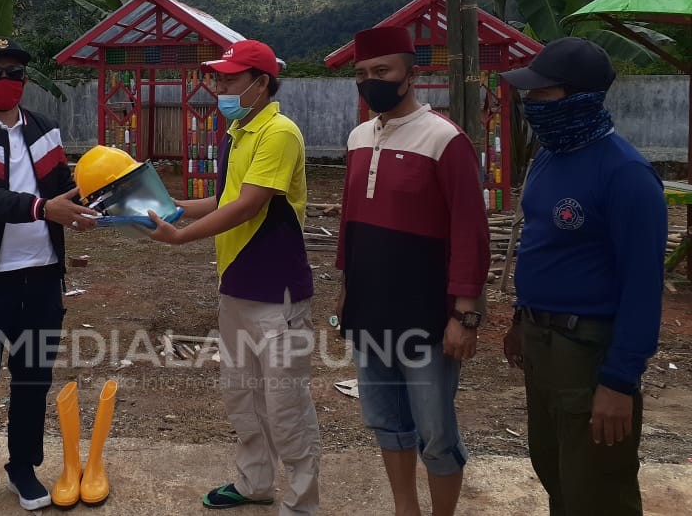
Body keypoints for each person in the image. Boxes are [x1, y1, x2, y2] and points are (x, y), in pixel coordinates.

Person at [148, 40, 321, 515]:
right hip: (237, 288)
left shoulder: (278, 133)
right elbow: (225, 199)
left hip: (277, 294)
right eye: (218, 78)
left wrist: (180, 237)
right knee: (243, 396)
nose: (219, 87)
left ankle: (302, 503)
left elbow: (250, 205)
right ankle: (254, 485)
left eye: (229, 79)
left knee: (286, 406)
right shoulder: (238, 133)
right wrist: (171, 207)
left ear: (261, 83)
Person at [500, 37, 667, 516]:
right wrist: (519, 319)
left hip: (589, 350)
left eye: (541, 93)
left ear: (580, 98)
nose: (529, 104)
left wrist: (618, 384)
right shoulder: (550, 157)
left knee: (597, 488)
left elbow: (642, 288)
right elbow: (541, 245)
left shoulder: (627, 175)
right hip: (541, 342)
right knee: (555, 469)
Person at [0, 37, 98, 516]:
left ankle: (24, 467)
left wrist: (100, 200)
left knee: (31, 384)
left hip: (41, 281)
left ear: (25, 80)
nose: (5, 80)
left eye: (14, 72)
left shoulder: (46, 130)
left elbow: (64, 186)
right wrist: (44, 207)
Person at [334, 25, 490, 516]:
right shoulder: (358, 138)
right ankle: (406, 509)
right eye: (362, 74)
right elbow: (349, 221)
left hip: (426, 313)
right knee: (385, 421)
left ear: (411, 74)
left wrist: (464, 314)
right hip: (370, 308)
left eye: (381, 71)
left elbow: (471, 231)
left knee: (436, 432)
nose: (370, 81)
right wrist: (345, 288)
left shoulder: (445, 139)